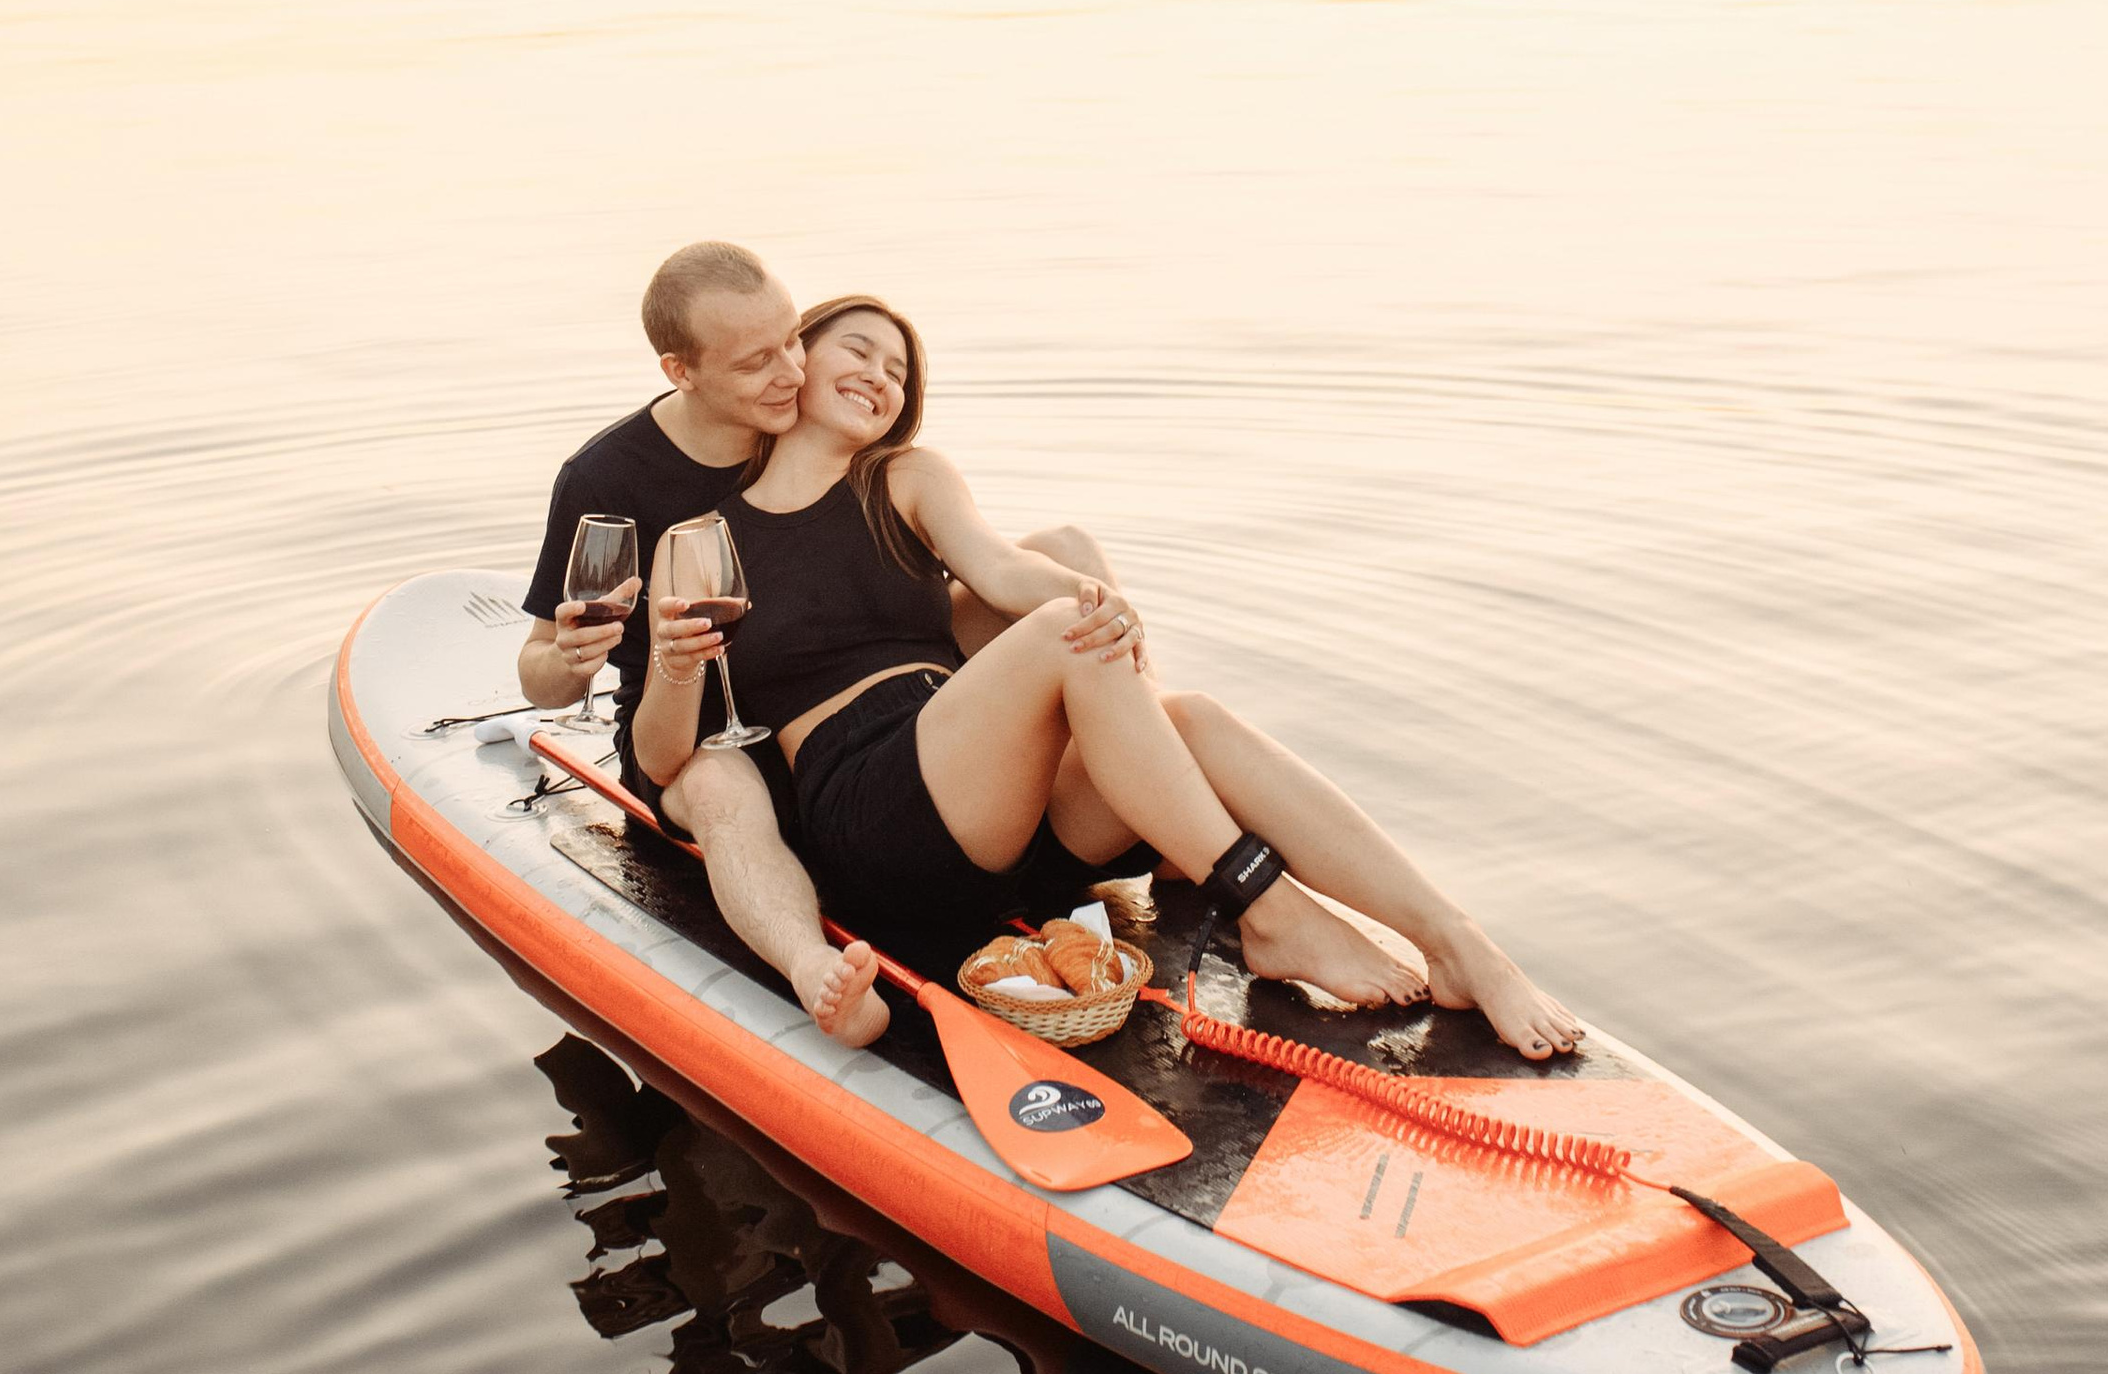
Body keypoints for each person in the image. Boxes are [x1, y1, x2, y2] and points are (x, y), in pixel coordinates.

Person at [634, 294, 1582, 1060]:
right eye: (860, 351)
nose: (881, 377)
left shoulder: (908, 479)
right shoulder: (703, 540)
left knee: (1192, 715)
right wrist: (674, 667)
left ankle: (1457, 941)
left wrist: (1094, 598)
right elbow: (665, 753)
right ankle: (1275, 909)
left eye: (898, 370)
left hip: (996, 796)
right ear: (797, 360)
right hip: (875, 815)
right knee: (1063, 635)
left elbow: (1006, 572)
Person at [519, 241, 1112, 1051]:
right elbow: (540, 669)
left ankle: (1126, 774)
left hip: (814, 683)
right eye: (758, 361)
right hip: (690, 711)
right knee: (722, 783)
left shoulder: (798, 413)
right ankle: (816, 971)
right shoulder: (607, 479)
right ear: (681, 372)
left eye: (792, 340)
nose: (792, 374)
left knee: (1061, 552)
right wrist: (574, 659)